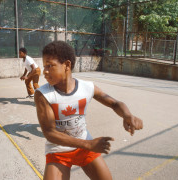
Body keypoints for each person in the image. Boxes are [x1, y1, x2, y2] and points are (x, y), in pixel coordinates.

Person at [34, 41, 143, 180]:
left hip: (85, 147)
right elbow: (50, 133)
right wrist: (88, 144)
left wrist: (127, 115)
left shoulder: (86, 87)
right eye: (44, 66)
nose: (45, 71)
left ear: (67, 65)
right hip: (59, 151)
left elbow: (114, 103)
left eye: (50, 66)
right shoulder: (43, 94)